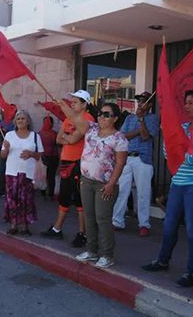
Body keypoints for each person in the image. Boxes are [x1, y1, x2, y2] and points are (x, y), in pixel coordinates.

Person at [142, 89, 193, 288]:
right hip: (178, 184)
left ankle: (192, 271)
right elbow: (168, 155)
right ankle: (162, 260)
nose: (187, 106)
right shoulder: (182, 127)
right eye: (186, 102)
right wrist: (170, 139)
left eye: (191, 102)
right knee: (169, 225)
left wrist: (180, 150)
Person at [59, 100, 128, 268]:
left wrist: (111, 184)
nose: (101, 117)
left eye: (107, 114)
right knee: (89, 217)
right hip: (87, 181)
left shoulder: (119, 138)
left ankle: (107, 255)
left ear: (115, 118)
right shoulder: (92, 129)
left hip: (105, 185)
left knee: (103, 219)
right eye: (100, 113)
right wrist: (62, 105)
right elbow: (74, 117)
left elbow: (120, 164)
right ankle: (91, 251)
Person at [41, 90, 96, 248]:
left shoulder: (88, 119)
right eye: (71, 101)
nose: (72, 104)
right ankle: (57, 229)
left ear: (85, 104)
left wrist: (68, 138)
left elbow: (73, 139)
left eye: (76, 102)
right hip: (65, 161)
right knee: (64, 197)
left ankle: (82, 233)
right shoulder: (69, 119)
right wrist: (68, 138)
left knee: (80, 200)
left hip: (78, 163)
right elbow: (60, 139)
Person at [112, 91, 159, 237]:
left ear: (150, 104)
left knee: (143, 193)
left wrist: (140, 121)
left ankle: (144, 224)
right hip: (127, 158)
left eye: (144, 101)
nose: (140, 103)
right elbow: (122, 136)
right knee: (122, 190)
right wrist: (138, 129)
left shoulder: (153, 118)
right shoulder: (129, 118)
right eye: (139, 101)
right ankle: (117, 221)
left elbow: (146, 136)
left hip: (143, 159)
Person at [1, 109, 43, 235]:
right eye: (18, 119)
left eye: (23, 118)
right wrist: (6, 148)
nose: (20, 121)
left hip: (28, 173)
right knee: (12, 199)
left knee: (26, 199)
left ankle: (25, 226)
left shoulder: (35, 136)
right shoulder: (9, 136)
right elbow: (2, 156)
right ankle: (13, 224)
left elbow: (40, 154)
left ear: (28, 121)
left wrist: (31, 154)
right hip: (12, 172)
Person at [38, 116, 59, 200]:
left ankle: (43, 192)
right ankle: (50, 194)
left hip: (43, 157)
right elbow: (58, 145)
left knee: (43, 176)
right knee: (51, 176)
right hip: (53, 157)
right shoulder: (54, 134)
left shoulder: (39, 134)